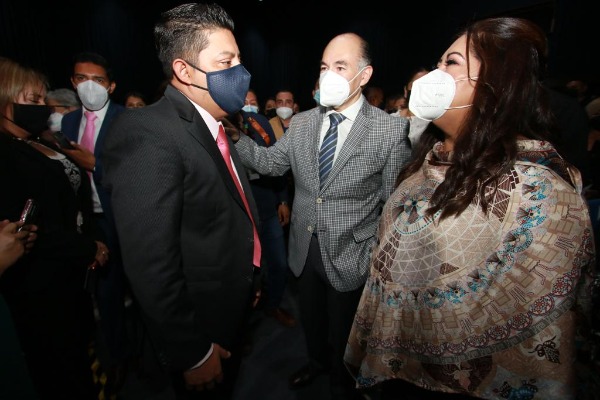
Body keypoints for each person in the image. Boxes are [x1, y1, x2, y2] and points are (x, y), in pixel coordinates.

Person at [344, 17, 596, 400]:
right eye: (439, 62)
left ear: (498, 83)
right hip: (400, 374)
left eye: (452, 63)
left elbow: (545, 332)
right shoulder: (421, 167)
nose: (435, 75)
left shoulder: (542, 193)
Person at [230, 32, 411, 400]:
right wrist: (233, 137)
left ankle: (343, 383)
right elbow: (269, 163)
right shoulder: (302, 123)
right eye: (324, 67)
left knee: (345, 331)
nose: (329, 75)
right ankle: (315, 363)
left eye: (340, 67)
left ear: (364, 75)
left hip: (353, 253)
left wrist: (375, 254)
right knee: (311, 320)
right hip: (303, 247)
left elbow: (395, 204)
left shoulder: (390, 129)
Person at [102, 3, 261, 399]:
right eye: (226, 62)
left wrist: (249, 277)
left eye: (239, 60)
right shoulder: (148, 133)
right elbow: (150, 262)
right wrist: (191, 352)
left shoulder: (213, 126)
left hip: (231, 301)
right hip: (199, 326)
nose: (240, 72)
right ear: (184, 71)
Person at [0, 56, 108, 400]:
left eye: (42, 99)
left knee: (81, 356)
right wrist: (87, 248)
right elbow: (28, 230)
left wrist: (91, 238)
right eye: (32, 100)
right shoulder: (5, 154)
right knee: (61, 370)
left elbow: (71, 200)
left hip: (70, 274)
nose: (41, 107)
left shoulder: (40, 140)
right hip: (41, 283)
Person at [60, 50, 129, 394]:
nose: (89, 86)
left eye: (98, 80)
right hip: (90, 222)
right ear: (72, 82)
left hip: (125, 220)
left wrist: (96, 166)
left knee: (140, 289)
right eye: (81, 78)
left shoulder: (127, 121)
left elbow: (136, 174)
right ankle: (117, 358)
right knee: (106, 295)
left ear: (111, 85)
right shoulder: (67, 123)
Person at [234, 89, 295, 327]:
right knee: (245, 272)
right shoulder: (218, 124)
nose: (247, 105)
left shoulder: (259, 122)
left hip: (267, 206)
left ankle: (274, 306)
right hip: (238, 214)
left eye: (252, 100)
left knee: (279, 264)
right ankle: (243, 323)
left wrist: (282, 200)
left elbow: (274, 163)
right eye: (243, 100)